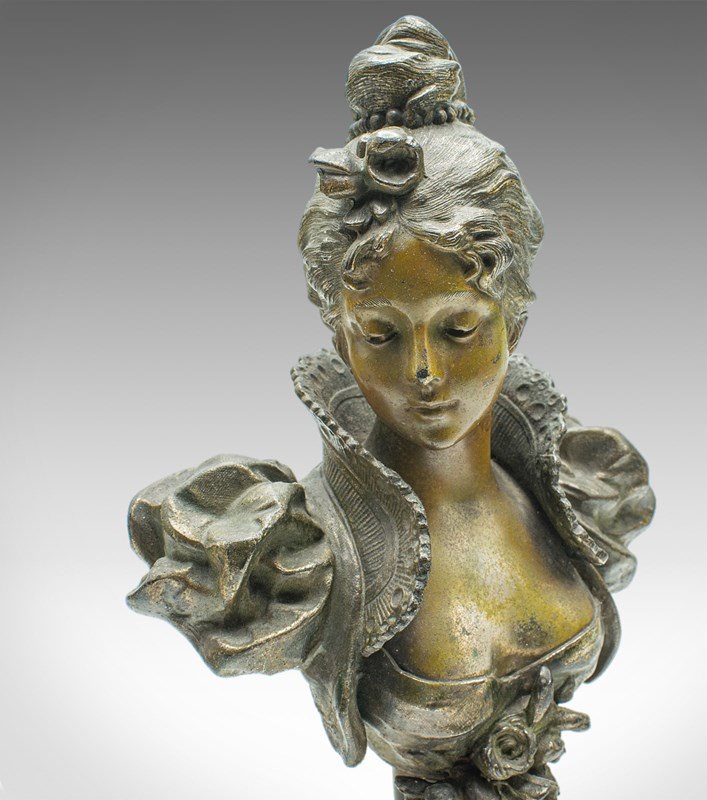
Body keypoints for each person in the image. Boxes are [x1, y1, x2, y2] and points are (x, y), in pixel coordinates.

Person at [127, 16, 655, 800]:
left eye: (459, 328)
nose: (423, 372)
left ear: (512, 321)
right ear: (340, 337)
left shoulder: (576, 490)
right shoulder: (302, 550)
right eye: (380, 334)